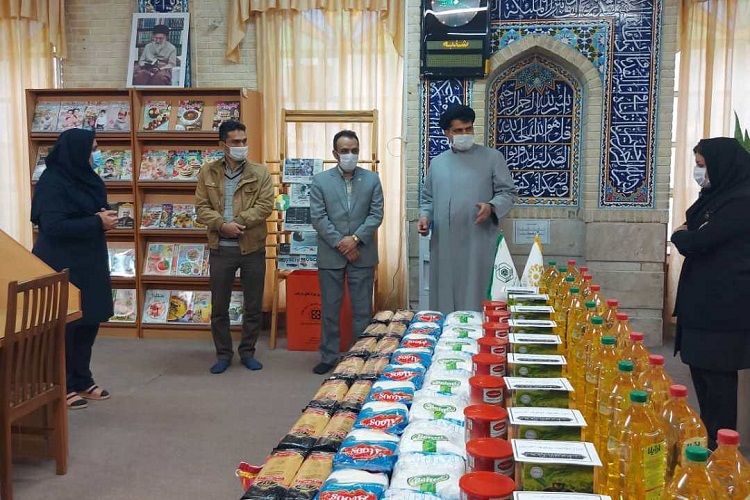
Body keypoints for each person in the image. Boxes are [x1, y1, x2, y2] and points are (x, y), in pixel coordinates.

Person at [30, 129, 119, 410]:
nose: (97, 153)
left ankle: (82, 379)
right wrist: (96, 222)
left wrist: (104, 217)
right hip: (62, 262)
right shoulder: (52, 181)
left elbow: (94, 210)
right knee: (67, 327)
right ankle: (62, 384)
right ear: (76, 151)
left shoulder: (88, 177)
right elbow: (53, 226)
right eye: (93, 148)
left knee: (89, 321)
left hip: (90, 260)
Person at [671, 137, 750, 448]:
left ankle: (721, 452)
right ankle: (708, 443)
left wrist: (682, 235)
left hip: (722, 311)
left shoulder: (741, 201)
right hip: (703, 307)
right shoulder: (715, 197)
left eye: (702, 165)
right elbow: (692, 228)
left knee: (718, 384)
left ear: (722, 165)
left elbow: (697, 240)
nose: (698, 172)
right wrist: (687, 234)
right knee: (703, 379)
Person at [417, 104, 517, 312]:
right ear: (447, 133)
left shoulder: (492, 158)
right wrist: (425, 217)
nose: (465, 134)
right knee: (445, 299)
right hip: (444, 244)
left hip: (477, 241)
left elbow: (508, 193)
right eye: (458, 130)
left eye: (468, 129)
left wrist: (491, 207)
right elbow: (428, 198)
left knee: (477, 296)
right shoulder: (438, 163)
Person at [195, 120, 274, 374]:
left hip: (252, 247)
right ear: (223, 145)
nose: (241, 146)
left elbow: (265, 205)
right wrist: (222, 225)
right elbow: (201, 207)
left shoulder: (260, 172)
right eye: (235, 142)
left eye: (244, 141)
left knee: (253, 305)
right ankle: (223, 354)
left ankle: (247, 352)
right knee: (219, 306)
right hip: (221, 248)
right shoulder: (208, 172)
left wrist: (237, 223)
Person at [310, 130, 384, 374]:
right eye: (344, 151)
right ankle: (328, 355)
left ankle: (360, 356)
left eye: (354, 150)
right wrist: (341, 243)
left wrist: (354, 240)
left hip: (362, 252)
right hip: (331, 254)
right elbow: (318, 217)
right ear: (335, 154)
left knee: (362, 309)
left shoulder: (372, 179)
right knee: (330, 308)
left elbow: (376, 215)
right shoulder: (321, 180)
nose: (350, 155)